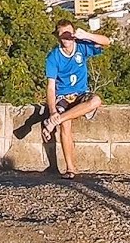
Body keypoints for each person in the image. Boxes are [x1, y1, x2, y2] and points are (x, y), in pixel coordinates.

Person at [40, 20, 110, 179]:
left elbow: (107, 42)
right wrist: (52, 111)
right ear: (57, 37)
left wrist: (85, 35)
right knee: (66, 125)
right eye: (62, 35)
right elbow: (50, 87)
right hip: (63, 97)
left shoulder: (82, 47)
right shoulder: (53, 57)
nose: (66, 38)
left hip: (81, 93)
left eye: (69, 34)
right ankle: (70, 168)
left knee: (96, 100)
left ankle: (56, 121)